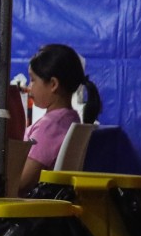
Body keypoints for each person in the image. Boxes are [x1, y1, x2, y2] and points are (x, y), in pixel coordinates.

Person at [16, 43, 102, 195]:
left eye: (33, 79)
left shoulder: (49, 128)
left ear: (53, 84)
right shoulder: (70, 118)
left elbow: (22, 183)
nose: (29, 87)